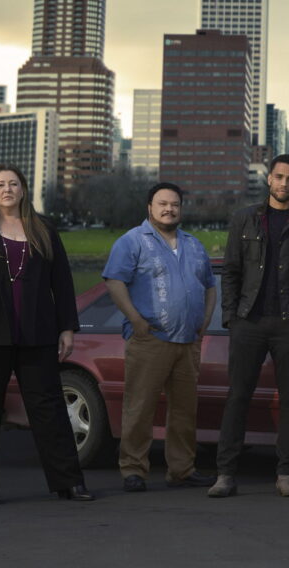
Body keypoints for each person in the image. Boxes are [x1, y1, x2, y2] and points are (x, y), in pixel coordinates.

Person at [208, 155, 289, 499]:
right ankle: (226, 473)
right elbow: (230, 272)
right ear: (268, 179)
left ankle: (286, 473)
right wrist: (231, 317)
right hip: (249, 321)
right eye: (279, 177)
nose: (284, 184)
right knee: (238, 398)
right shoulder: (244, 219)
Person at [103, 182, 217, 492]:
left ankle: (182, 469)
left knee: (184, 410)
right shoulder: (131, 241)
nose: (169, 208)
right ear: (150, 208)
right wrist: (136, 319)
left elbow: (209, 285)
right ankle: (133, 470)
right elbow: (115, 282)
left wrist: (205, 319)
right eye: (162, 203)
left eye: (175, 204)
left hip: (188, 341)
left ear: (181, 209)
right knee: (140, 406)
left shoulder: (193, 244)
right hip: (150, 339)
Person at [0, 164, 93, 503]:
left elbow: (62, 283)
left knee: (49, 409)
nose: (7, 189)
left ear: (23, 189)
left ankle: (69, 482)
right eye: (0, 184)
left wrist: (67, 327)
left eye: (14, 183)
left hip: (38, 334)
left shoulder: (43, 230)